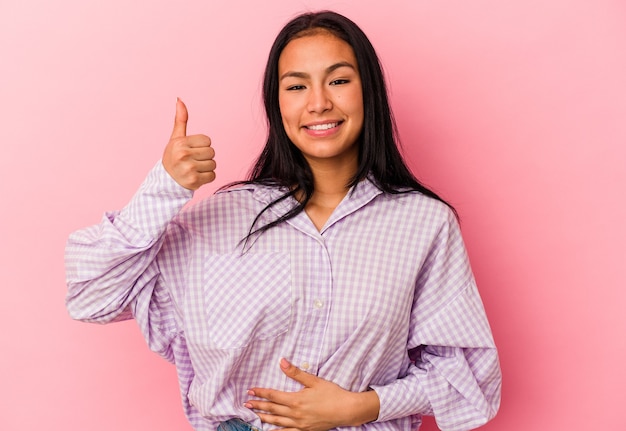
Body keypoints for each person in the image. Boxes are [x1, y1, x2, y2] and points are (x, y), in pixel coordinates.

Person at [65, 10, 501, 431]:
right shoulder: (219, 219)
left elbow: (467, 377)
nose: (318, 102)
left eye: (339, 80)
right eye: (296, 86)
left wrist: (360, 407)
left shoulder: (423, 224)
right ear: (276, 104)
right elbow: (89, 298)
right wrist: (164, 188)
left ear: (368, 91)